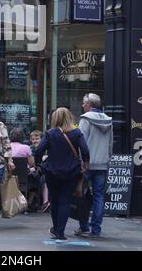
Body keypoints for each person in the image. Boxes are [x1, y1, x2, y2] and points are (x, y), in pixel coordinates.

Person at [35, 107, 90, 241]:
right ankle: (60, 231)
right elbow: (85, 150)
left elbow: (38, 151)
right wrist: (86, 164)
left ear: (55, 118)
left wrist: (38, 164)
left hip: (52, 172)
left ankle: (55, 228)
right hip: (71, 172)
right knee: (65, 201)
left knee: (54, 200)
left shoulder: (50, 133)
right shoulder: (77, 133)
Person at [74, 93, 113, 238]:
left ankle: (83, 226)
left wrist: (80, 161)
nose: (83, 105)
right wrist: (107, 159)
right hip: (102, 164)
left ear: (89, 105)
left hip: (87, 163)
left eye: (84, 103)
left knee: (82, 195)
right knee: (98, 196)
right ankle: (96, 229)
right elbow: (110, 144)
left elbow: (81, 142)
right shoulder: (108, 120)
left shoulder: (85, 119)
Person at [29, 130, 50, 213]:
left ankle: (45, 202)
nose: (35, 141)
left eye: (37, 139)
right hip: (33, 171)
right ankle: (30, 203)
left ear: (42, 139)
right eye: (33, 139)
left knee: (45, 179)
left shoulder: (45, 148)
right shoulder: (30, 148)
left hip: (42, 171)